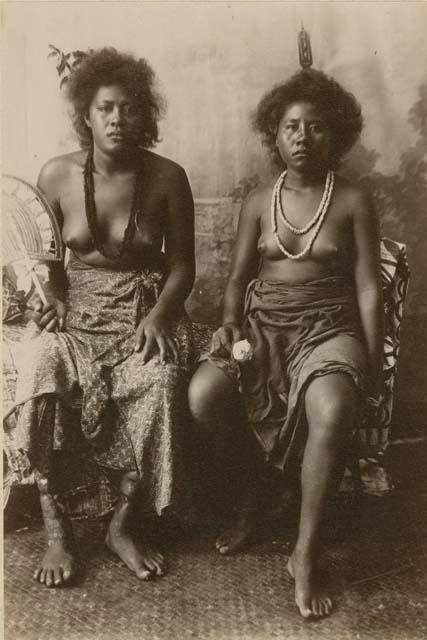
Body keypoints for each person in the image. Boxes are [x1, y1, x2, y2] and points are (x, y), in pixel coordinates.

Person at [188, 67, 384, 618]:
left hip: (328, 327)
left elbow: (369, 288)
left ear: (337, 136)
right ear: (274, 135)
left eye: (317, 127)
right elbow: (236, 279)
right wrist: (229, 322)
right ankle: (254, 495)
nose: (302, 136)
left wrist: (368, 360)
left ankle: (305, 551)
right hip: (262, 326)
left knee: (334, 402)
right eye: (291, 126)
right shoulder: (257, 201)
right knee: (204, 393)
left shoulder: (351, 201)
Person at [12, 47, 209, 587]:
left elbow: (183, 267)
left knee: (162, 379)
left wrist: (162, 317)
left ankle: (123, 524)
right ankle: (57, 529)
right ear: (86, 115)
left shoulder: (169, 178)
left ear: (146, 115)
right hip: (73, 317)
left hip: (143, 311)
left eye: (128, 108)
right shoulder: (54, 175)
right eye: (105, 109)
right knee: (39, 369)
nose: (118, 119)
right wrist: (46, 300)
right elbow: (43, 265)